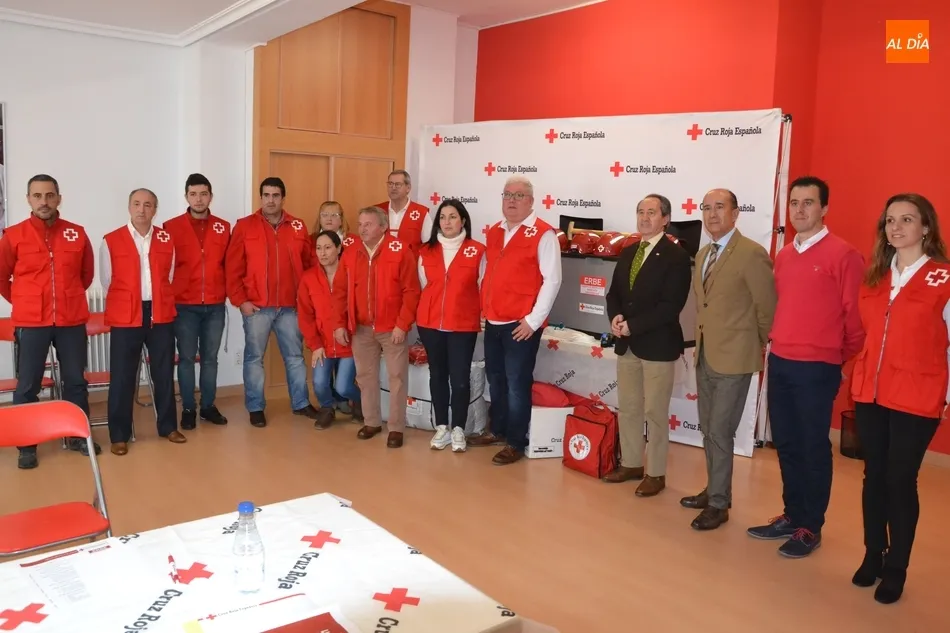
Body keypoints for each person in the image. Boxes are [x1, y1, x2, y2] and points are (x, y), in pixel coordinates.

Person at [747, 176, 865, 557]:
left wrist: (835, 358)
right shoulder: (784, 255)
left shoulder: (844, 255)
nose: (799, 210)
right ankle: (793, 514)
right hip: (781, 361)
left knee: (813, 446)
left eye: (808, 203)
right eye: (794, 203)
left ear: (824, 208)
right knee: (786, 443)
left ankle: (811, 526)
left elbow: (856, 320)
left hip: (817, 367)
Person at [849, 193, 948, 605]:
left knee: (900, 480)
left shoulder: (943, 278)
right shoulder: (875, 277)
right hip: (871, 393)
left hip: (917, 395)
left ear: (926, 227)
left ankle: (896, 568)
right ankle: (873, 553)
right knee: (874, 476)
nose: (897, 227)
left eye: (907, 219)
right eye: (890, 220)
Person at [680, 188, 776, 529]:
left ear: (735, 213)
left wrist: (753, 343)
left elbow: (767, 307)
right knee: (709, 429)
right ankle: (713, 489)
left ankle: (719, 504)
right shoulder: (704, 253)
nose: (712, 214)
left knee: (720, 430)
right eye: (706, 208)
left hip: (735, 358)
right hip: (706, 355)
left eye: (719, 207)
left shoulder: (751, 253)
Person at [0, 174, 100, 468]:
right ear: (28, 199)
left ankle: (78, 436)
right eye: (37, 196)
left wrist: (66, 298)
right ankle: (26, 445)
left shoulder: (76, 234)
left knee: (76, 382)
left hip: (71, 320)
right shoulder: (13, 235)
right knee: (27, 385)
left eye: (49, 195)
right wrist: (25, 300)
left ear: (58, 198)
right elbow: (2, 278)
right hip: (32, 322)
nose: (43, 201)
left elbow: (86, 275)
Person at [468, 175, 562, 465]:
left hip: (521, 326)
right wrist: (484, 307)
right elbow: (488, 274)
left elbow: (552, 280)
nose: (511, 200)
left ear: (531, 201)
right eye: (507, 194)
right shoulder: (495, 231)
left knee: (517, 385)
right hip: (494, 322)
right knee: (496, 380)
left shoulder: (544, 234)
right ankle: (498, 430)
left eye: (519, 195)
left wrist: (533, 321)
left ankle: (516, 442)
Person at [603, 194, 691, 496]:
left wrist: (634, 325)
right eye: (640, 211)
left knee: (654, 412)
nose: (644, 217)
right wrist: (615, 317)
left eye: (651, 212)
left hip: (657, 345)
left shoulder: (676, 256)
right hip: (627, 344)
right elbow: (614, 294)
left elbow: (671, 305)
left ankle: (655, 473)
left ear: (665, 219)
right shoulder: (629, 251)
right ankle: (631, 464)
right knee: (628, 407)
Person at [225, 177, 318, 427]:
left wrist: (305, 299)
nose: (270, 200)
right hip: (257, 307)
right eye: (266, 195)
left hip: (290, 307)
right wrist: (240, 300)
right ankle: (255, 407)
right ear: (261, 197)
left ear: (283, 198)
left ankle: (301, 403)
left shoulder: (297, 226)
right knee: (254, 358)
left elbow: (309, 265)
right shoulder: (244, 226)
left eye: (275, 195)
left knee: (295, 357)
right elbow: (232, 267)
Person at [100, 189, 186, 455]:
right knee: (122, 376)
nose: (141, 209)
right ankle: (119, 435)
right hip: (126, 315)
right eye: (136, 204)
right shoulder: (111, 240)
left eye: (148, 205)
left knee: (163, 373)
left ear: (155, 210)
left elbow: (169, 276)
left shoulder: (166, 238)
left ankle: (168, 427)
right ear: (129, 207)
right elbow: (107, 281)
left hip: (160, 312)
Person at [332, 206, 420, 448]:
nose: (362, 229)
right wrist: (339, 324)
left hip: (392, 329)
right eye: (360, 224)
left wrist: (402, 325)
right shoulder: (351, 253)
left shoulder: (400, 250)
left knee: (397, 378)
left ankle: (396, 428)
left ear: (383, 227)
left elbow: (411, 291)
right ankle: (371, 421)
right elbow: (339, 291)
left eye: (368, 224)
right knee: (365, 377)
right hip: (361, 328)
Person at [416, 199, 486, 453]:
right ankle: (442, 427)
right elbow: (424, 285)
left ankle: (458, 428)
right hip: (430, 323)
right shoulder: (426, 251)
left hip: (462, 325)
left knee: (459, 379)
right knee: (437, 375)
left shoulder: (477, 250)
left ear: (463, 220)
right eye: (443, 217)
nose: (447, 222)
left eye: (453, 217)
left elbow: (482, 285)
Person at [163, 173, 230, 430]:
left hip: (215, 305)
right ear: (186, 196)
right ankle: (189, 408)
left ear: (211, 196)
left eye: (203, 194)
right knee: (187, 358)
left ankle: (208, 406)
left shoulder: (223, 227)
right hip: (184, 305)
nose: (198, 199)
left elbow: (229, 264)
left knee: (210, 358)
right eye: (193, 194)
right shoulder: (171, 227)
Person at [297, 230, 361, 429]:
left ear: (339, 248)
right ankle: (327, 409)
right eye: (318, 248)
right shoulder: (308, 278)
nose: (322, 253)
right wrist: (315, 344)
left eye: (327, 247)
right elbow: (305, 316)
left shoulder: (352, 274)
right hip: (322, 344)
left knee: (343, 387)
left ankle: (361, 401)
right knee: (319, 383)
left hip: (349, 343)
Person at [374, 170, 433, 252]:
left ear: (408, 188)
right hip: (382, 259)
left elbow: (429, 246)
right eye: (390, 184)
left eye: (398, 184)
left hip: (411, 260)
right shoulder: (377, 211)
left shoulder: (421, 213)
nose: (393, 187)